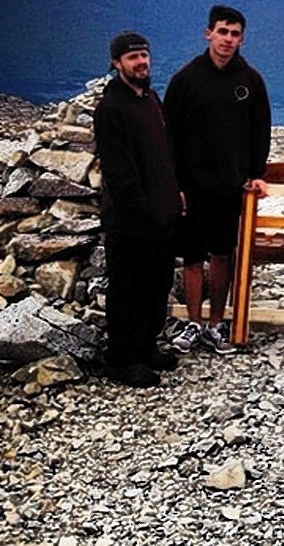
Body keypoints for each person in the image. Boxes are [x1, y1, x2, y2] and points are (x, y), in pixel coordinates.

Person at [164, 5, 271, 355]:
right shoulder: (185, 79)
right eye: (223, 32)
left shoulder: (250, 81)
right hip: (192, 185)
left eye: (235, 34)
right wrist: (175, 182)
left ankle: (215, 325)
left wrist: (255, 174)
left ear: (242, 38)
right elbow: (171, 135)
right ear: (208, 33)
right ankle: (193, 324)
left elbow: (260, 132)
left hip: (231, 185)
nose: (228, 40)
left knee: (223, 253)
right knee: (193, 256)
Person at [94, 32, 182, 388]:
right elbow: (118, 171)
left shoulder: (150, 99)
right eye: (133, 58)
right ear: (117, 64)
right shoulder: (110, 108)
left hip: (162, 214)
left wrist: (175, 194)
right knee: (127, 289)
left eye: (144, 55)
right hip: (130, 221)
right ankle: (121, 359)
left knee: (156, 285)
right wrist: (140, 210)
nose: (141, 62)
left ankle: (145, 347)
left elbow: (164, 152)